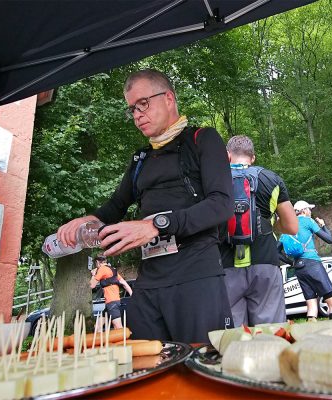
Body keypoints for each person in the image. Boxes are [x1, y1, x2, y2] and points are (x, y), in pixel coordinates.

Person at [57, 69, 234, 343]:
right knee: (146, 366)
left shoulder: (203, 139)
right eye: (132, 109)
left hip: (196, 275)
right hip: (149, 282)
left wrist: (155, 225)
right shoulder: (141, 159)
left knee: (203, 365)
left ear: (169, 98)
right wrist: (85, 221)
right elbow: (115, 206)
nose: (137, 115)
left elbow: (222, 205)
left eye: (143, 104)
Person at [219, 135, 298, 327]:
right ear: (252, 158)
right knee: (270, 333)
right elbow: (292, 226)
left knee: (233, 338)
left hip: (225, 268)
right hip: (265, 264)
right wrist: (271, 225)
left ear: (227, 156)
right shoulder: (272, 179)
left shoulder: (214, 181)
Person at [279, 200, 332, 321]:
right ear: (304, 211)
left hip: (299, 269)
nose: (310, 212)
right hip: (313, 264)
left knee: (311, 305)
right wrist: (323, 225)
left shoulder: (287, 226)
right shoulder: (308, 221)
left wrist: (291, 263)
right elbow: (329, 239)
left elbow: (276, 252)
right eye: (309, 209)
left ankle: (310, 333)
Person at [90, 255, 132, 330]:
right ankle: (101, 341)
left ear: (97, 262)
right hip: (113, 302)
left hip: (111, 302)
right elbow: (124, 283)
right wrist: (132, 295)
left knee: (118, 328)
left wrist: (93, 275)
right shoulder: (112, 270)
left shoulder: (102, 269)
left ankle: (124, 341)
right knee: (97, 327)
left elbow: (92, 285)